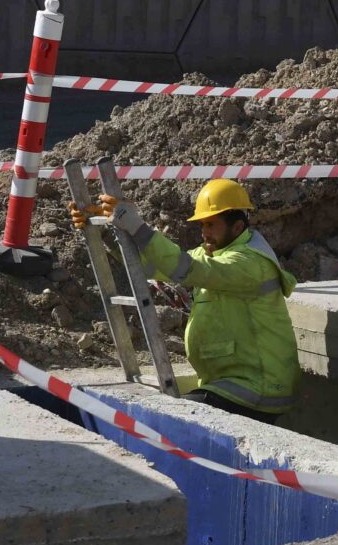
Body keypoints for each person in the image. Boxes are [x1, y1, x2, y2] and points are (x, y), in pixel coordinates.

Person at [100, 178, 300, 417]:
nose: (204, 232)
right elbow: (152, 268)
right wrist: (104, 234)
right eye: (202, 224)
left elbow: (186, 267)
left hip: (257, 386)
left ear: (237, 227)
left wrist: (137, 226)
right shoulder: (215, 253)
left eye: (211, 224)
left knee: (176, 418)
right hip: (230, 382)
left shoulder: (249, 262)